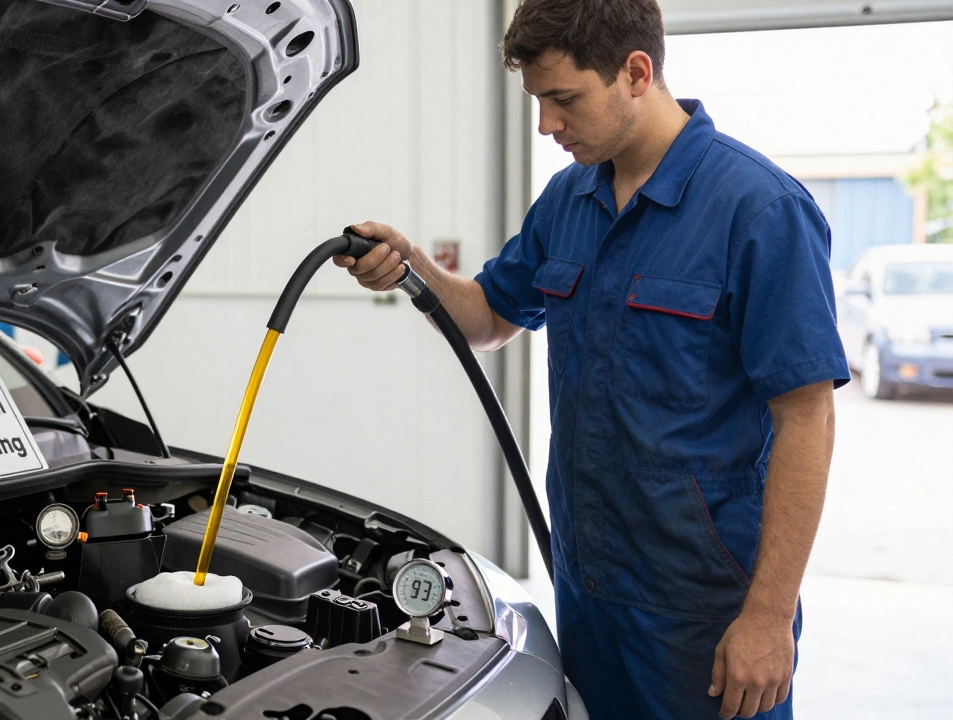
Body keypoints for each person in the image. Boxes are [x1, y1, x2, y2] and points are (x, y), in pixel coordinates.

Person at [335, 1, 849, 718]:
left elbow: (807, 419)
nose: (547, 124)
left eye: (563, 98)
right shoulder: (567, 201)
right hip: (588, 592)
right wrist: (414, 266)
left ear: (636, 72)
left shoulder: (759, 211)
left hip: (703, 608)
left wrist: (767, 617)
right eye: (539, 100)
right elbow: (488, 317)